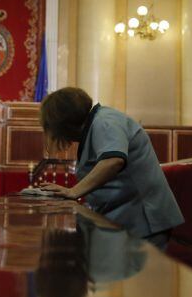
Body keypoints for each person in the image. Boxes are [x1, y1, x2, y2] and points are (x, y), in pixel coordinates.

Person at [38, 87, 184, 249]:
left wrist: (73, 191)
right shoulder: (96, 124)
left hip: (145, 221)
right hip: (128, 220)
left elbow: (113, 161)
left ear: (64, 124)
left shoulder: (104, 121)